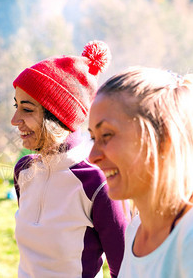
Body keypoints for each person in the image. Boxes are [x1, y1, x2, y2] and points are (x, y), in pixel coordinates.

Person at [88, 67, 193, 277]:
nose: (92, 156)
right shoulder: (137, 229)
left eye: (107, 135)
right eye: (92, 137)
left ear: (164, 139)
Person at [11, 41, 128, 278]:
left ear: (57, 116)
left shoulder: (95, 182)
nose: (14, 119)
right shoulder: (23, 170)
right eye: (16, 106)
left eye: (27, 109)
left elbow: (125, 269)